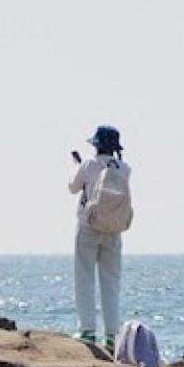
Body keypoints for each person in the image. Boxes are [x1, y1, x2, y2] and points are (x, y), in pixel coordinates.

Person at [68, 125, 128, 346]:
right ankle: (112, 334)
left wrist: (77, 169)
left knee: (84, 278)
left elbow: (72, 187)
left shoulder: (88, 164)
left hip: (88, 226)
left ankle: (88, 330)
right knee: (111, 282)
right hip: (113, 229)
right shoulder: (125, 168)